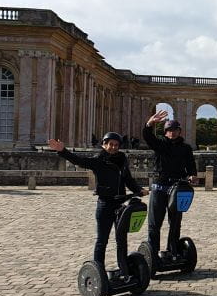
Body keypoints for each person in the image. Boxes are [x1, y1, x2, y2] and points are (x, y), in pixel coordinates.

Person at [48, 133, 147, 279]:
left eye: (116, 145)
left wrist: (138, 189)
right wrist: (63, 151)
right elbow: (80, 161)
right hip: (105, 204)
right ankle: (99, 273)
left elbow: (128, 179)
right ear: (104, 145)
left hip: (120, 203)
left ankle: (124, 269)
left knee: (121, 239)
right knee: (102, 240)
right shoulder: (98, 160)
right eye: (110, 144)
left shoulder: (122, 159)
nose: (113, 147)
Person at [143, 112, 198, 263]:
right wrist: (149, 124)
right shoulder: (160, 144)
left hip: (177, 187)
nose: (172, 133)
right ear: (165, 132)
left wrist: (192, 175)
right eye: (169, 130)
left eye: (175, 130)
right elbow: (148, 137)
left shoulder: (185, 148)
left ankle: (172, 250)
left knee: (175, 222)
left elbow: (191, 164)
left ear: (179, 131)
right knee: (155, 222)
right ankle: (153, 253)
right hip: (159, 186)